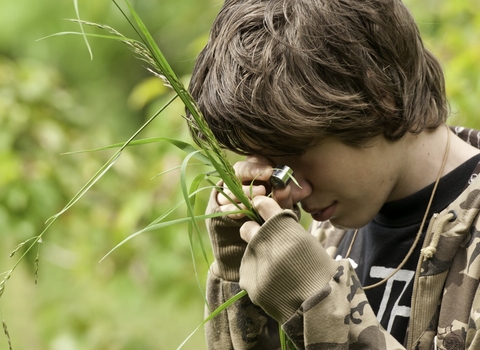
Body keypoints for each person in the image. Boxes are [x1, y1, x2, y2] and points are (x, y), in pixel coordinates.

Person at [187, 0, 480, 348]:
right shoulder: (332, 225)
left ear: (377, 97)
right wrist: (240, 278)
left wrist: (322, 303)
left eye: (292, 154)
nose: (289, 191)